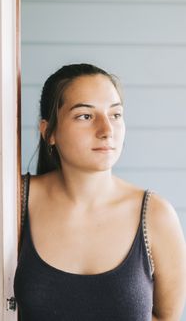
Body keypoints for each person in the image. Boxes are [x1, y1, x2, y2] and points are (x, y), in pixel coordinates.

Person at [14, 63, 186, 320]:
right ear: (48, 132)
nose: (107, 131)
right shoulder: (15, 201)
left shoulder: (156, 216)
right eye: (85, 116)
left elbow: (166, 317)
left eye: (115, 115)